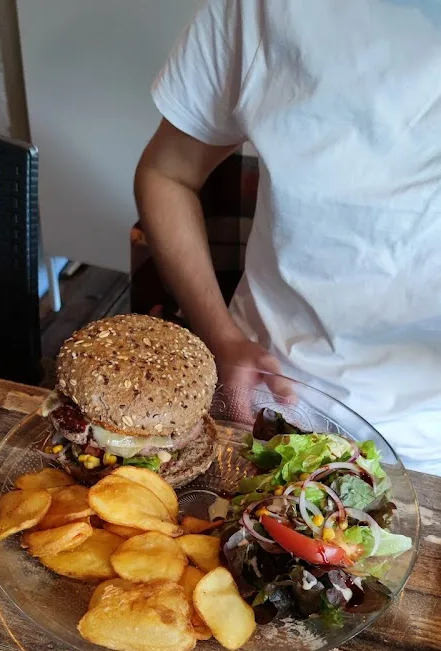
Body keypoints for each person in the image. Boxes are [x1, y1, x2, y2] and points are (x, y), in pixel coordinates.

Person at [134, 0, 441, 474]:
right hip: (261, 403)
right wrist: (222, 337)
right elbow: (167, 173)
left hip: (428, 454)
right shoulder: (261, 9)